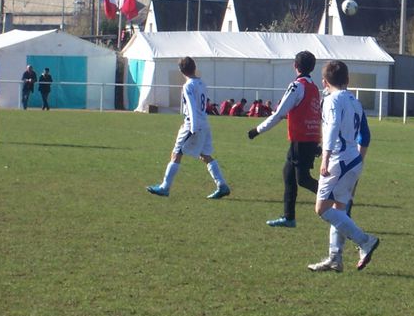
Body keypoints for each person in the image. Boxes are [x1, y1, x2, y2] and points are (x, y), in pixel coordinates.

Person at [307, 60, 380, 272]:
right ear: (347, 80)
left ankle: (364, 240)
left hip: (339, 160)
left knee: (322, 209)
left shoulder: (331, 100)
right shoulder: (355, 101)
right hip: (354, 159)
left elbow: (331, 129)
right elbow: (364, 134)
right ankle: (335, 258)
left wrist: (325, 159)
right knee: (340, 208)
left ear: (324, 82)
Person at [248, 50, 322, 228]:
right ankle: (289, 218)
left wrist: (257, 130)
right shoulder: (314, 87)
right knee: (288, 174)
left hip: (301, 139)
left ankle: (335, 197)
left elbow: (280, 113)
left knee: (302, 179)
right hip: (310, 137)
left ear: (295, 66)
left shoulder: (297, 86)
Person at [146, 56, 231, 200]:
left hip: (193, 123)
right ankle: (222, 185)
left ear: (181, 70)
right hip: (204, 122)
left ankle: (165, 187)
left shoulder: (188, 86)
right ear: (194, 67)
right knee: (205, 155)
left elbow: (191, 106)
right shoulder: (201, 83)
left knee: (176, 153)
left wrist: (192, 126)